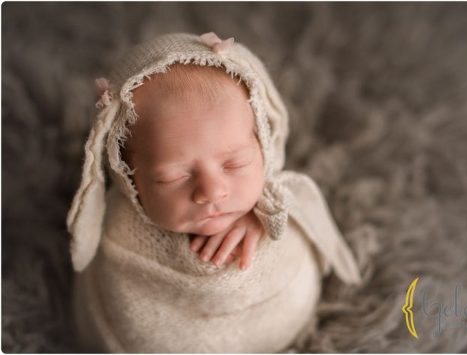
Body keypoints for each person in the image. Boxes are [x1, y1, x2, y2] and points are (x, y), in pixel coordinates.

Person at [67, 32, 361, 352]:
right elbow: (121, 315)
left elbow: (294, 220)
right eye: (173, 177)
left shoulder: (273, 200)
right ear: (127, 176)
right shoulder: (119, 240)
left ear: (262, 142)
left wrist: (266, 216)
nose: (211, 192)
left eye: (234, 164)